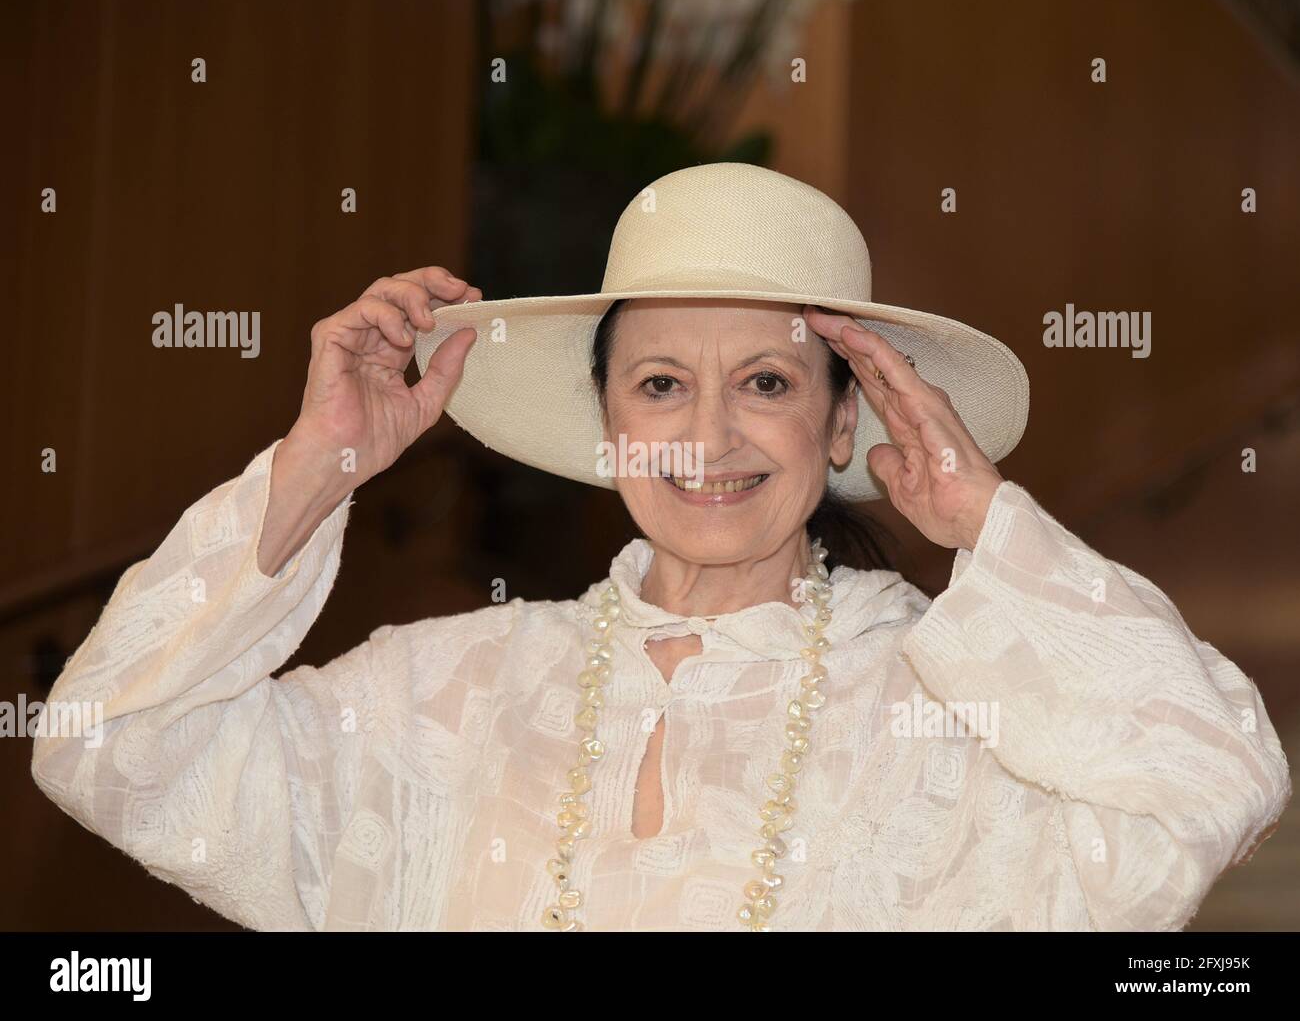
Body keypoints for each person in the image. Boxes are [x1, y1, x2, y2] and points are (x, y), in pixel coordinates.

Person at [30, 163, 1290, 932]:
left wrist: (981, 524)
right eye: (658, 384)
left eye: (763, 382)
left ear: (843, 417)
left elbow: (1216, 780)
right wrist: (321, 464)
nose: (706, 436)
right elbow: (110, 747)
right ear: (606, 422)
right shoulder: (448, 688)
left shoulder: (947, 691)